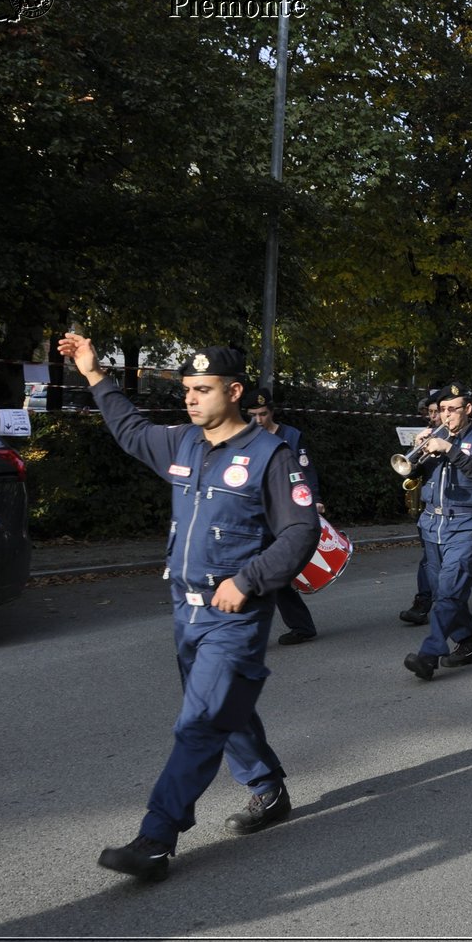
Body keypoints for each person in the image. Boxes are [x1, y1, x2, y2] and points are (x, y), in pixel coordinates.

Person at [57, 335, 320, 882]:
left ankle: (156, 838)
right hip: (186, 611)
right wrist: (93, 374)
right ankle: (269, 791)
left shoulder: (271, 455)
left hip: (236, 617)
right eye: (186, 391)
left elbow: (300, 533)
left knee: (200, 721)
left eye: (203, 390)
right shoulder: (182, 444)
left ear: (235, 390)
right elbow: (130, 429)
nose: (191, 400)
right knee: (226, 709)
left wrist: (248, 581)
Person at [402, 382, 472, 680]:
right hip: (431, 524)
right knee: (447, 592)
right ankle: (467, 644)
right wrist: (415, 451)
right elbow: (410, 473)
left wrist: (450, 449)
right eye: (441, 410)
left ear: (467, 410)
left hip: (464, 524)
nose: (446, 416)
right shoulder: (435, 436)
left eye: (452, 410)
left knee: (449, 591)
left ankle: (429, 654)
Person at [244, 389, 324, 645]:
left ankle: (296, 626)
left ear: (272, 411)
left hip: (283, 516)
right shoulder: (242, 438)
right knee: (260, 573)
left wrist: (315, 500)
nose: (259, 420)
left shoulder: (290, 436)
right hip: (253, 514)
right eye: (253, 414)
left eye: (263, 413)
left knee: (270, 573)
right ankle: (299, 626)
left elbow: (306, 472)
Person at [399, 390, 441, 626]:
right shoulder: (426, 437)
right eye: (431, 412)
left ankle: (447, 600)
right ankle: (423, 602)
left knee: (451, 565)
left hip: (456, 514)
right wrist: (415, 449)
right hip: (429, 510)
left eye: (437, 412)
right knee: (428, 559)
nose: (432, 417)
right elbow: (408, 470)